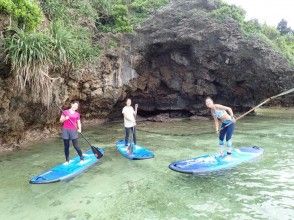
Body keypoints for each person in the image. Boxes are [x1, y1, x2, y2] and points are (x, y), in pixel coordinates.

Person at [60, 101, 84, 165]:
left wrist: (80, 129)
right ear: (71, 104)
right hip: (65, 130)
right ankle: (67, 160)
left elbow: (78, 122)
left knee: (76, 146)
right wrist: (65, 118)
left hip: (73, 130)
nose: (75, 107)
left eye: (76, 106)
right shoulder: (65, 112)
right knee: (66, 146)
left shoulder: (77, 114)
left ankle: (82, 158)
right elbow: (61, 120)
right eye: (74, 105)